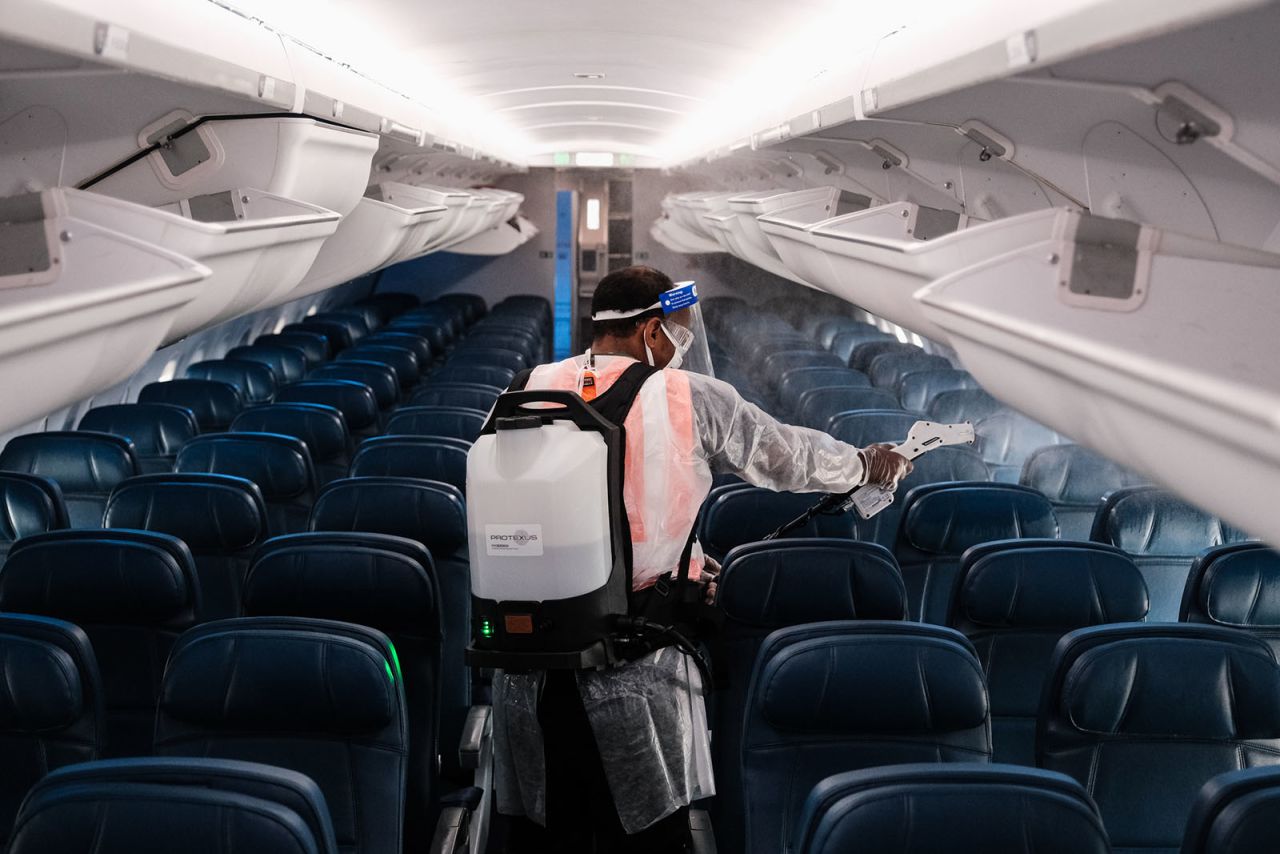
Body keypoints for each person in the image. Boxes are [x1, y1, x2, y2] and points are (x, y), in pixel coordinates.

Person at [493, 266, 912, 853]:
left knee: (547, 834)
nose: (682, 347)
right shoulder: (688, 397)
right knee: (652, 835)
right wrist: (868, 464)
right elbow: (787, 456)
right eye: (680, 333)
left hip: (530, 672)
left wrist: (679, 556)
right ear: (652, 332)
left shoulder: (524, 386)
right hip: (637, 668)